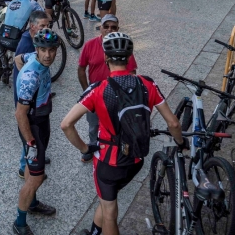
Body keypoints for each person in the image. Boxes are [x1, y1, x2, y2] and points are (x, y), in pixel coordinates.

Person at [61, 32, 185, 235]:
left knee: (110, 212)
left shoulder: (98, 89)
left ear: (106, 58)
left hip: (108, 164)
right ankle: (94, 231)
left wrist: (85, 148)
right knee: (108, 198)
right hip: (136, 160)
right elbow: (173, 122)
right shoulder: (147, 84)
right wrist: (180, 142)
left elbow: (66, 124)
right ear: (129, 58)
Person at [13, 28, 61, 235]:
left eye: (51, 50)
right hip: (32, 126)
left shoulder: (32, 56)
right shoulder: (31, 76)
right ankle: (19, 222)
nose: (48, 55)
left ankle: (32, 203)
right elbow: (20, 114)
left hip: (42, 121)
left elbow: (17, 58)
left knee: (33, 172)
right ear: (37, 49)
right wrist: (31, 143)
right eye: (43, 50)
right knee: (36, 178)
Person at [77, 15, 138, 163]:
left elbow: (132, 72)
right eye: (106, 26)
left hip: (118, 96)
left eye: (113, 27)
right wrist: (87, 90)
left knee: (119, 123)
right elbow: (81, 68)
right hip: (96, 95)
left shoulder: (121, 46)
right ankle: (92, 146)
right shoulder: (90, 45)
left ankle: (120, 148)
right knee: (93, 125)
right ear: (101, 28)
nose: (109, 29)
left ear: (117, 29)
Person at [13, 10, 51, 178]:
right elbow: (18, 62)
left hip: (34, 102)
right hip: (26, 102)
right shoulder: (28, 42)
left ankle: (35, 158)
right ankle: (25, 166)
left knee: (36, 137)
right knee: (29, 135)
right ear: (32, 26)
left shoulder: (35, 40)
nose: (46, 28)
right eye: (42, 25)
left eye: (48, 25)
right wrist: (30, 84)